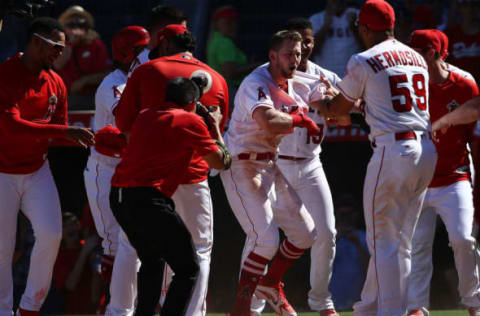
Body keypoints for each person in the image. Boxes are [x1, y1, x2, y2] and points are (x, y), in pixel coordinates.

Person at [316, 1, 437, 315]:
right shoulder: (416, 57)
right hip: (424, 149)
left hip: (392, 151)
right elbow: (382, 104)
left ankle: (390, 312)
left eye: (361, 28)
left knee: (383, 240)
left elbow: (337, 109)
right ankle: (372, 307)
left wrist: (323, 101)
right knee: (403, 240)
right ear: (393, 26)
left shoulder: (363, 59)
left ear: (366, 28)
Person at [111, 24, 229, 316]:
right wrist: (212, 126)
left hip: (124, 193)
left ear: (163, 44)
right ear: (193, 102)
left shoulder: (146, 105)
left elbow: (121, 126)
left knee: (142, 255)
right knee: (193, 259)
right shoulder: (213, 87)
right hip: (177, 184)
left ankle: (120, 311)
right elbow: (221, 160)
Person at [220, 30, 321, 316]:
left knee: (305, 234)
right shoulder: (257, 80)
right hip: (242, 164)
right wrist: (300, 120)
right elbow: (266, 120)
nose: (295, 59)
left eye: (299, 54)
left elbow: (331, 99)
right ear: (273, 55)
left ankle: (270, 283)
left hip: (268, 164)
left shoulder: (294, 81)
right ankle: (241, 310)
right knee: (265, 240)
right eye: (289, 54)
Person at [0, 17, 94, 316]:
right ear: (37, 42)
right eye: (55, 47)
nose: (60, 54)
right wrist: (63, 132)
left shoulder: (56, 81)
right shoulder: (6, 73)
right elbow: (11, 126)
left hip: (37, 170)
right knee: (2, 250)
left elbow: (60, 131)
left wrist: (100, 141)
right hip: (2, 172)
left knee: (51, 235)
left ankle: (28, 309)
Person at [263, 17, 340, 316]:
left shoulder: (327, 77)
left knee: (328, 232)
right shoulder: (269, 75)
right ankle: (255, 303)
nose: (303, 48)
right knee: (262, 234)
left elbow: (353, 107)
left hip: (310, 163)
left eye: (307, 41)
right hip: (276, 164)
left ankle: (322, 302)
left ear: (313, 42)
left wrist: (339, 104)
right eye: (297, 44)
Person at [406, 29, 480, 316]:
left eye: (418, 52)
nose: (411, 57)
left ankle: (474, 302)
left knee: (463, 239)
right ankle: (415, 307)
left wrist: (445, 121)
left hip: (455, 175)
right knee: (417, 245)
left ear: (433, 53)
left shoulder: (462, 82)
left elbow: (475, 107)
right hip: (417, 179)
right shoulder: (409, 83)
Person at [83, 25, 150, 294]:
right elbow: (127, 118)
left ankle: (125, 305)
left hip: (130, 168)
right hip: (105, 169)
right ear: (125, 53)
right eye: (140, 51)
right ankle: (108, 305)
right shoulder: (113, 83)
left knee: (134, 242)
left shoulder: (139, 81)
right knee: (112, 241)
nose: (145, 55)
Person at [54, 5, 112, 110]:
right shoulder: (60, 45)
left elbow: (106, 74)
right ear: (64, 28)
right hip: (66, 97)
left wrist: (85, 80)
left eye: (81, 25)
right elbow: (58, 65)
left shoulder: (96, 45)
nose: (76, 29)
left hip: (91, 96)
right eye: (71, 25)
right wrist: (70, 43)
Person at [207, 6, 258, 107]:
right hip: (230, 92)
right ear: (217, 24)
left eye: (234, 22)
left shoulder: (216, 40)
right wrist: (255, 66)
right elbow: (230, 73)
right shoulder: (224, 43)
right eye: (228, 23)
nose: (233, 26)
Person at [309, 0, 362, 77]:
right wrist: (325, 27)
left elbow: (369, 48)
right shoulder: (316, 19)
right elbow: (310, 52)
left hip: (353, 76)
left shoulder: (358, 15)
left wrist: (354, 28)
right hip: (326, 77)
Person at [445, 0, 480, 82]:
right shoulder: (451, 34)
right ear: (459, 8)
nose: (470, 9)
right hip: (458, 88)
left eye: (473, 5)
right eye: (466, 5)